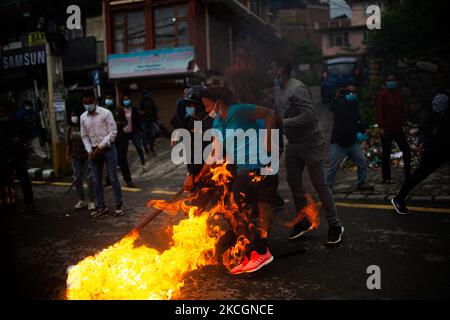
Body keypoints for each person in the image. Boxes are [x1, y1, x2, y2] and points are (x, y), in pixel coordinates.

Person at [193, 86, 278, 274]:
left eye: (207, 106)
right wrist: (199, 175)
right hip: (243, 168)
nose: (207, 110)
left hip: (260, 165)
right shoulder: (218, 125)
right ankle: (250, 252)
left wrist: (269, 141)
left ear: (218, 102)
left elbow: (270, 114)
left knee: (237, 204)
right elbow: (215, 153)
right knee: (235, 208)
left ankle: (261, 251)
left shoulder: (239, 110)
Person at [269, 57, 344, 245]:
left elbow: (310, 117)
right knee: (294, 182)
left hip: (311, 142)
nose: (268, 71)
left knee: (319, 183)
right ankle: (304, 220)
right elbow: (277, 114)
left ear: (280, 69)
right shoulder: (278, 89)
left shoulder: (297, 88)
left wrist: (282, 123)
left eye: (271, 67)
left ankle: (335, 225)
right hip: (293, 144)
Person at [392, 92, 450, 214]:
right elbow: (432, 119)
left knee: (421, 172)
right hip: (437, 146)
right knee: (421, 173)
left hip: (441, 144)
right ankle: (399, 198)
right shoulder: (443, 98)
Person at [80, 92, 123, 217]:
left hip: (108, 149)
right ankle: (101, 206)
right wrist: (89, 150)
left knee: (113, 178)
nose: (88, 105)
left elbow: (113, 132)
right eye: (85, 103)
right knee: (96, 180)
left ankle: (119, 205)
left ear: (95, 101)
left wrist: (101, 146)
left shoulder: (106, 113)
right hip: (94, 152)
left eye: (90, 102)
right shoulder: (83, 117)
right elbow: (84, 136)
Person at [326, 86, 374, 191]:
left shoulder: (354, 105)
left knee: (362, 162)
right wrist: (336, 97)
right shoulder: (339, 103)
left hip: (352, 141)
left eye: (354, 92)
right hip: (339, 142)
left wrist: (363, 131)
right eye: (350, 92)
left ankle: (361, 182)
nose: (352, 94)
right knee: (333, 166)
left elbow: (358, 120)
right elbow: (331, 107)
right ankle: (327, 187)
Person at [1, 102, 37, 214]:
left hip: (18, 156)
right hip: (5, 158)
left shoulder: (16, 122)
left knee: (24, 182)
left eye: (3, 111)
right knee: (7, 183)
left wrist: (19, 141)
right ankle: (10, 204)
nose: (2, 114)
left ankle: (29, 203)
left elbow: (25, 137)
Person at [376, 74, 411, 184]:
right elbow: (379, 111)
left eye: (393, 80)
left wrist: (404, 124)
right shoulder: (382, 95)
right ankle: (386, 177)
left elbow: (402, 110)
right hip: (386, 128)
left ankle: (408, 175)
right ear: (386, 82)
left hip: (397, 128)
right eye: (389, 80)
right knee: (386, 153)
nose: (391, 82)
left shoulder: (398, 95)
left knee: (406, 150)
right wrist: (381, 127)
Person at [66, 110, 95, 211]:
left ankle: (91, 200)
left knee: (90, 178)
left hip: (87, 156)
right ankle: (82, 199)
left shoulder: (85, 126)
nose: (74, 117)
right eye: (72, 115)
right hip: (75, 157)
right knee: (77, 178)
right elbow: (68, 143)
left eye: (75, 115)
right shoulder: (70, 129)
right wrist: (67, 154)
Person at [104, 94, 135, 188]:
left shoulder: (119, 110)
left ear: (113, 99)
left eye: (109, 98)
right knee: (109, 160)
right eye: (107, 98)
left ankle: (128, 180)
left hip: (120, 138)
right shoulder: (104, 111)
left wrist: (118, 124)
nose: (108, 100)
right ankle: (109, 180)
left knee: (122, 159)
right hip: (108, 139)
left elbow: (125, 122)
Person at [117, 95, 146, 171]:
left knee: (139, 147)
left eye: (127, 99)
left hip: (134, 132)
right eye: (124, 100)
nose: (126, 101)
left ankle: (143, 164)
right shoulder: (120, 110)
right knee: (123, 150)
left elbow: (138, 120)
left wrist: (141, 130)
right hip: (124, 133)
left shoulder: (134, 109)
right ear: (122, 101)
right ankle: (122, 165)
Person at [139, 90, 158, 156]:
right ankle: (146, 149)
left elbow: (154, 111)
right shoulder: (142, 102)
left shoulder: (151, 101)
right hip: (144, 122)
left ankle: (151, 148)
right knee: (145, 136)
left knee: (152, 135)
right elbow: (140, 112)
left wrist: (155, 120)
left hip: (151, 121)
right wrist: (142, 113)